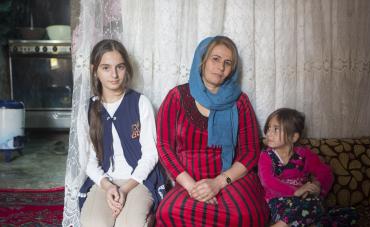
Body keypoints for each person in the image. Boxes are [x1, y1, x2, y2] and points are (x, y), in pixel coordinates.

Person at [155, 36, 269, 227]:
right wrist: (193, 187)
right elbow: (165, 147)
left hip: (231, 180)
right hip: (189, 183)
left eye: (227, 62)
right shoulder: (176, 97)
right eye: (215, 59)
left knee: (242, 216)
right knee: (168, 212)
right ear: (203, 60)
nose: (221, 67)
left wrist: (217, 183)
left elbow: (250, 152)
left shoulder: (240, 101)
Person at [78, 39, 165, 227]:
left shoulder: (140, 103)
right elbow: (89, 160)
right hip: (105, 181)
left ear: (127, 69)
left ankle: (147, 218)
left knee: (129, 224)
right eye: (106, 68)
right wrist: (108, 186)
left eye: (120, 67)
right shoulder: (89, 109)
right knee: (94, 223)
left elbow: (151, 154)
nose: (114, 75)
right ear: (95, 70)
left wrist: (124, 190)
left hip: (138, 179)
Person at [258, 108, 357, 227]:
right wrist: (295, 191)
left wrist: (317, 184)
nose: (269, 133)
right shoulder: (266, 156)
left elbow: (325, 172)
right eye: (268, 128)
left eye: (275, 129)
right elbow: (267, 181)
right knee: (311, 209)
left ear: (293, 137)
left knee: (349, 213)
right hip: (280, 201)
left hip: (306, 201)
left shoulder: (304, 155)